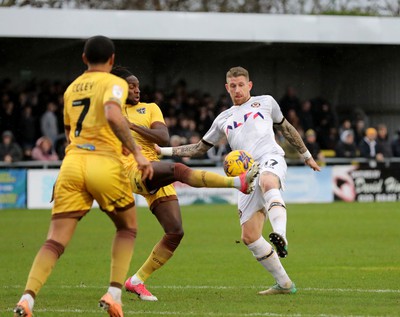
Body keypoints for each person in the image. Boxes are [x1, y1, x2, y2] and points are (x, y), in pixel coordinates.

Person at [13, 35, 153, 317]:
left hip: (73, 164)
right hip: (104, 163)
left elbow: (68, 136)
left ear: (84, 59)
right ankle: (114, 294)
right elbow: (113, 114)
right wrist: (138, 153)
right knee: (127, 227)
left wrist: (64, 173)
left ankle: (27, 298)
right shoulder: (115, 83)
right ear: (112, 60)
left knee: (54, 240)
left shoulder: (71, 89)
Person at [157, 66, 321, 295]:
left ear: (249, 85)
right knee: (250, 236)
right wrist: (162, 151)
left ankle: (281, 235)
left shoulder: (266, 102)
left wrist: (306, 156)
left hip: (270, 158)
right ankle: (284, 284)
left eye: (241, 85)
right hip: (246, 175)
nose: (237, 89)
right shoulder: (223, 119)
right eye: (232, 86)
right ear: (227, 88)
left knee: (268, 182)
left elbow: (286, 128)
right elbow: (198, 148)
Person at [110, 66, 259, 301]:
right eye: (131, 86)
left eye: (138, 85)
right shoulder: (108, 112)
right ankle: (236, 183)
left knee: (175, 232)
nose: (137, 90)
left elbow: (162, 137)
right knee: (177, 168)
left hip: (154, 169)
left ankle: (136, 281)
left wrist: (131, 125)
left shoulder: (149, 108)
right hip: (131, 169)